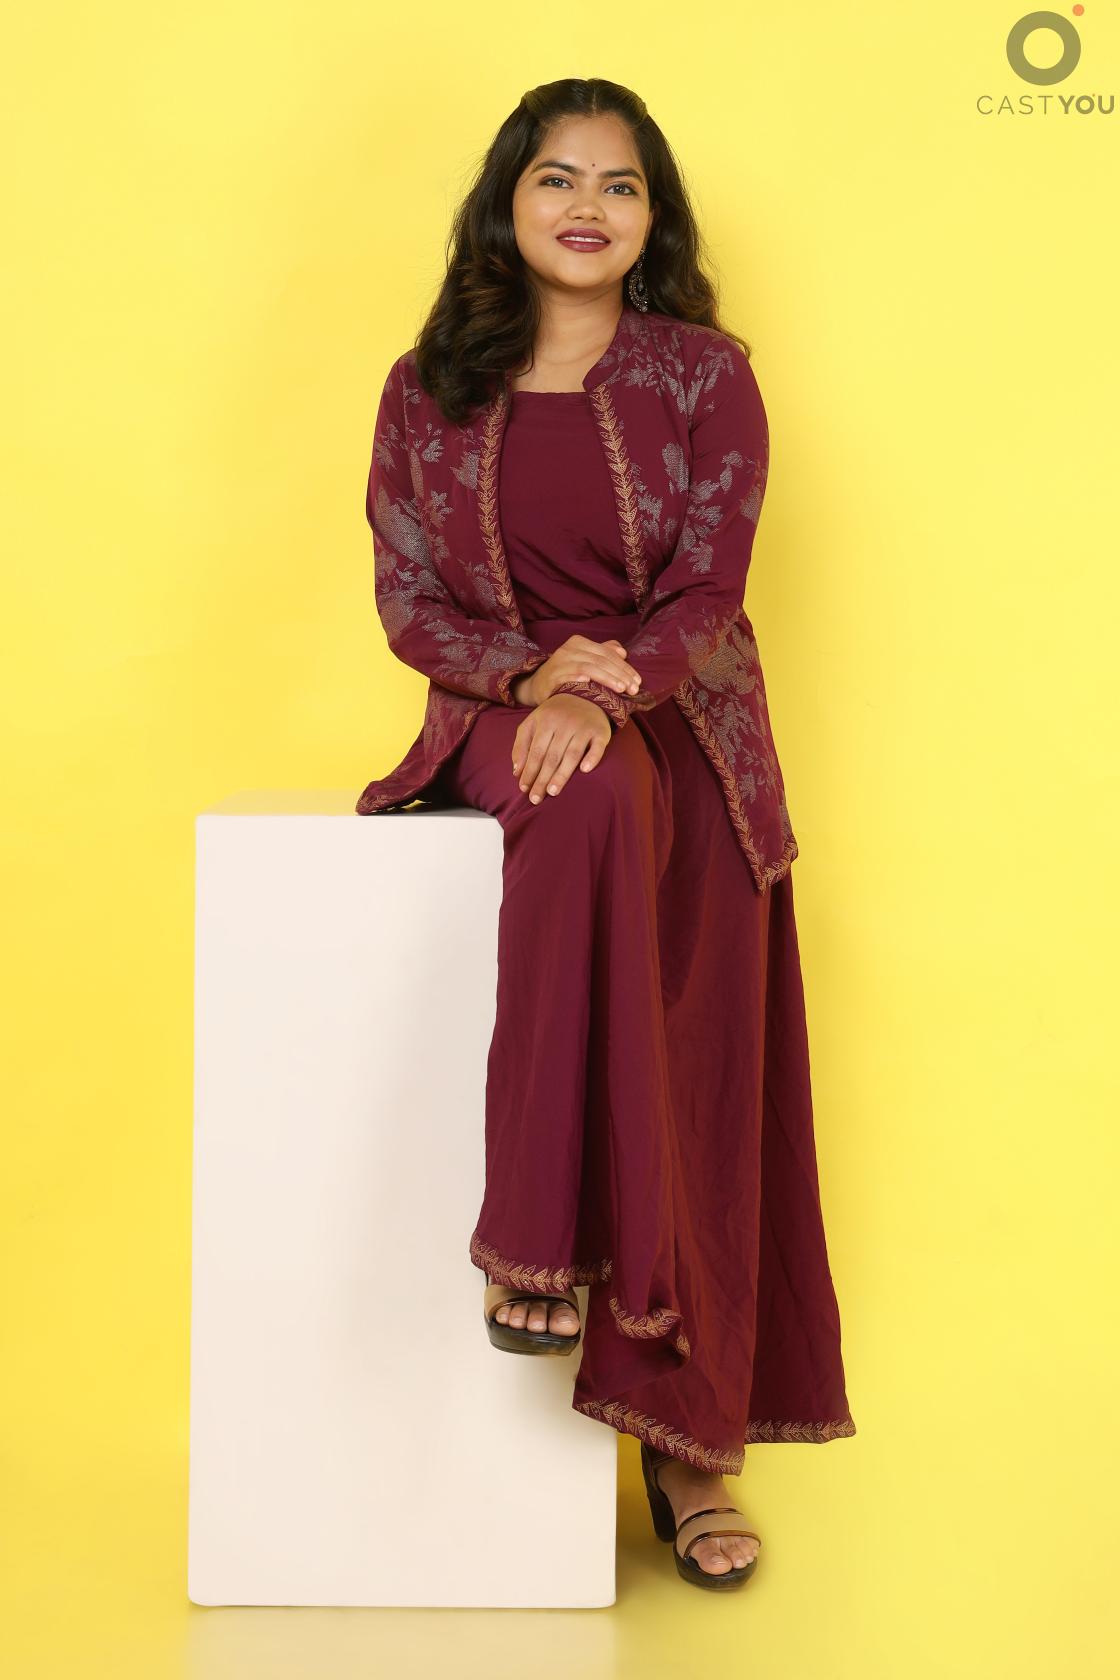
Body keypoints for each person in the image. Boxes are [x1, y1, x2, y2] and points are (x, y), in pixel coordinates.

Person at [356, 77, 855, 1591]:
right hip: (501, 711)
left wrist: (611, 687)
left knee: (697, 1081)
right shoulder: (428, 385)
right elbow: (406, 602)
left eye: (620, 185)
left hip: (686, 731)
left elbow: (713, 584)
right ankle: (534, 1243)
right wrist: (535, 680)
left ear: (654, 220)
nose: (588, 206)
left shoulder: (706, 374)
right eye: (557, 177)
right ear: (506, 203)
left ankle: (694, 1453)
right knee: (585, 797)